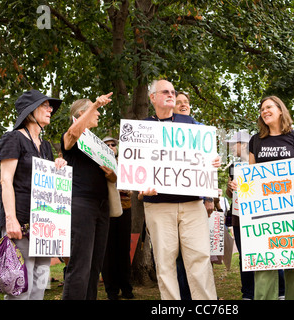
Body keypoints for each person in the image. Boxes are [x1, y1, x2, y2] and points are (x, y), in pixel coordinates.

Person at [231, 95, 294, 300]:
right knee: (264, 263)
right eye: (262, 109)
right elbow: (251, 174)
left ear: (280, 110)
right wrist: (241, 184)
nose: (264, 111)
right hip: (264, 212)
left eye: (269, 107)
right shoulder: (256, 140)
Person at [138, 79, 219, 300]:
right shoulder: (141, 128)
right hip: (158, 206)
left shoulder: (191, 124)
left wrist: (213, 161)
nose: (171, 95)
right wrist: (140, 190)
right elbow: (135, 171)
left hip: (192, 204)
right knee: (164, 262)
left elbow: (206, 156)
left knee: (200, 258)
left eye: (173, 91)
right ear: (153, 97)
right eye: (165, 92)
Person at [0, 89, 67, 300]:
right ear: (30, 112)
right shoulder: (13, 139)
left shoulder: (45, 147)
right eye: (45, 105)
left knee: (39, 283)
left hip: (44, 226)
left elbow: (46, 184)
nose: (50, 109)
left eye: (50, 106)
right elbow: (5, 181)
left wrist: (57, 166)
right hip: (21, 222)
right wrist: (10, 220)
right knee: (21, 288)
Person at [61, 93, 116, 300]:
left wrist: (112, 175)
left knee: (95, 265)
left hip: (102, 206)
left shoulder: (96, 144)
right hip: (81, 204)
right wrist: (95, 104)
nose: (99, 113)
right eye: (94, 111)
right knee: (80, 264)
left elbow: (112, 178)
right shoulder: (72, 136)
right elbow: (73, 133)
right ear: (82, 113)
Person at [101, 136, 134, 300]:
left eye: (113, 144)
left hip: (125, 209)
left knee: (124, 249)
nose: (111, 146)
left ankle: (127, 288)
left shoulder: (125, 164)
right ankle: (111, 290)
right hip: (105, 210)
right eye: (106, 145)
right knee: (107, 251)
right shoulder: (98, 164)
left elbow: (132, 186)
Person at [225, 130, 255, 300]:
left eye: (233, 144)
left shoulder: (258, 163)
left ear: (243, 145)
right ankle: (248, 293)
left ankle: (277, 290)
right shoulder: (233, 166)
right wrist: (230, 189)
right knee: (244, 255)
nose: (230, 147)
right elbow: (230, 194)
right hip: (238, 217)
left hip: (255, 214)